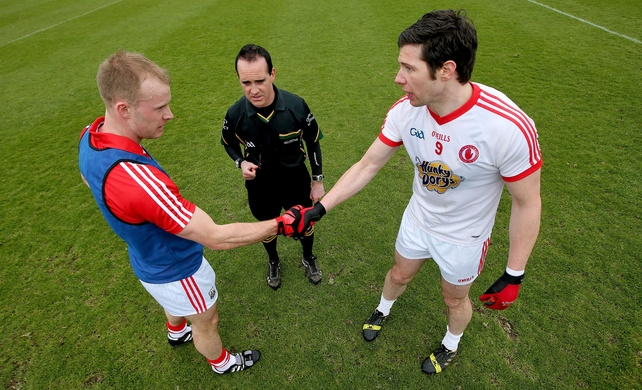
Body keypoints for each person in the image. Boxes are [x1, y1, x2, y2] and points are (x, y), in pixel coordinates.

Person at [304, 9, 542, 375]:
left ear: (446, 70)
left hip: (465, 237)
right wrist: (321, 209)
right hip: (418, 220)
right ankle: (383, 307)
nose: (398, 78)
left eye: (408, 68)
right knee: (399, 274)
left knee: (453, 297)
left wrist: (514, 273)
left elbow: (527, 202)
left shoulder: (507, 127)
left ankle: (451, 343)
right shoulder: (407, 112)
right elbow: (368, 165)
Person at [78, 50, 308, 375]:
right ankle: (222, 363)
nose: (169, 114)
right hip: (178, 269)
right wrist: (284, 222)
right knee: (207, 319)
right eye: (159, 107)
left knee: (177, 308)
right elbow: (216, 237)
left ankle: (176, 330)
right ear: (123, 109)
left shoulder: (90, 137)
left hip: (145, 258)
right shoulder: (140, 183)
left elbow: (88, 179)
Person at [220, 44, 326, 290]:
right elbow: (228, 144)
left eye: (260, 80)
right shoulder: (235, 114)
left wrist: (318, 180)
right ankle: (274, 261)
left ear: (273, 74)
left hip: (295, 180)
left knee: (304, 223)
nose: (254, 90)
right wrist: (241, 162)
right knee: (266, 227)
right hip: (260, 186)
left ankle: (308, 257)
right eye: (246, 83)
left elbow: (313, 142)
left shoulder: (296, 105)